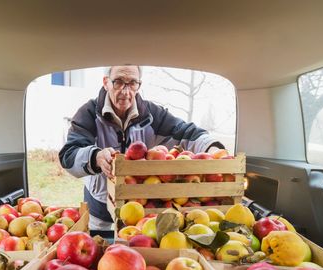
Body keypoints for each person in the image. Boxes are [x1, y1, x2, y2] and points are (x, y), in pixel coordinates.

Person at [59, 65, 225, 230]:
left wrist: (215, 150)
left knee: (134, 243)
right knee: (100, 241)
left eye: (132, 83)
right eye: (118, 82)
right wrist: (95, 157)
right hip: (100, 205)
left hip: (141, 208)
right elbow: (69, 155)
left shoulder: (152, 114)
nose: (125, 91)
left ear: (139, 85)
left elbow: (188, 133)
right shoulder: (89, 113)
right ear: (106, 82)